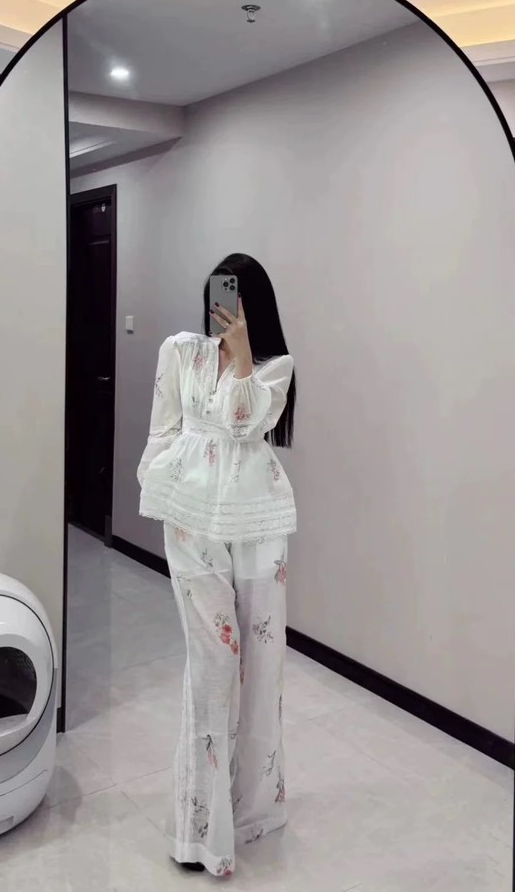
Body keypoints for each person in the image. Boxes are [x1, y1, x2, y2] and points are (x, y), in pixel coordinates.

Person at [137, 253, 297, 878]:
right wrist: (159, 486)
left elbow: (243, 423)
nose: (223, 308)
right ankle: (201, 833)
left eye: (233, 297)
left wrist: (244, 357)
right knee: (214, 664)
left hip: (258, 525)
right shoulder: (181, 352)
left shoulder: (276, 369)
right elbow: (161, 431)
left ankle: (253, 812)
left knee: (261, 668)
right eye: (217, 295)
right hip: (193, 520)